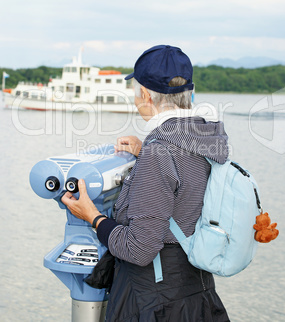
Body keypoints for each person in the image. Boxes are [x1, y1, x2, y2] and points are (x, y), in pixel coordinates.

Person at [62, 45, 230, 321]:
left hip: (155, 300)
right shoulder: (204, 136)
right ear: (189, 90)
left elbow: (139, 249)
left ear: (144, 94)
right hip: (196, 291)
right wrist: (146, 153)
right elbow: (187, 184)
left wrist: (91, 216)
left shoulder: (160, 152)